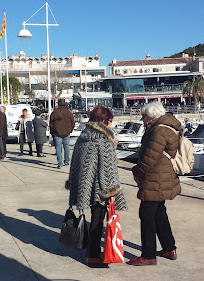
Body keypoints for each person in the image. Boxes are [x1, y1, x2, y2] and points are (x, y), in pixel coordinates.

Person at [66, 105, 127, 266]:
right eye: (109, 120)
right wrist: (111, 191)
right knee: (97, 220)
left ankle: (92, 252)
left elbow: (75, 164)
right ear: (103, 121)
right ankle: (92, 254)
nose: (111, 124)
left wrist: (74, 183)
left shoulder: (83, 136)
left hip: (86, 185)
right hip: (100, 186)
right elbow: (108, 170)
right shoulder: (103, 139)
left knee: (96, 218)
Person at [128, 101, 181, 266]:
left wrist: (137, 172)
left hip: (155, 177)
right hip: (161, 176)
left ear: (152, 115)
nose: (142, 119)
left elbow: (149, 158)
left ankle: (148, 255)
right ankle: (169, 248)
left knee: (147, 215)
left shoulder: (159, 130)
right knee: (159, 213)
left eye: (144, 116)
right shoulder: (164, 127)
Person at [49, 99, 75, 168]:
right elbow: (73, 123)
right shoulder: (69, 113)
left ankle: (60, 163)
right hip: (66, 133)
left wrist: (52, 132)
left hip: (57, 133)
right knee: (66, 147)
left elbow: (51, 124)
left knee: (58, 148)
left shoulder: (54, 113)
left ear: (58, 104)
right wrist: (70, 131)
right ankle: (66, 161)